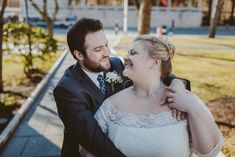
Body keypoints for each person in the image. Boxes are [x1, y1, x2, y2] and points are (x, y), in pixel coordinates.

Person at [53, 18, 189, 157]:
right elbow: (94, 140)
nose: (107, 53)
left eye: (106, 45)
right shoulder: (67, 90)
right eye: (98, 49)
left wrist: (176, 82)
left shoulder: (116, 64)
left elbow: (151, 72)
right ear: (79, 55)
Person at [80, 35, 223, 157]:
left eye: (133, 53)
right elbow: (86, 148)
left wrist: (192, 107)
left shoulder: (182, 100)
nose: (125, 57)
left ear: (155, 61)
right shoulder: (112, 105)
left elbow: (208, 152)